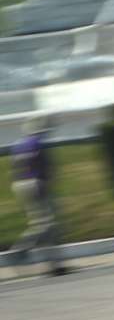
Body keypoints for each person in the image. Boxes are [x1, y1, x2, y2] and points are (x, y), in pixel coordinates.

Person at [10, 115, 67, 276]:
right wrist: (49, 184)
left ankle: (54, 265)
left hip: (20, 185)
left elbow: (16, 168)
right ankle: (20, 250)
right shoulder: (39, 144)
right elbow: (47, 167)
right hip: (37, 184)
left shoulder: (19, 145)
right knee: (49, 226)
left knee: (40, 224)